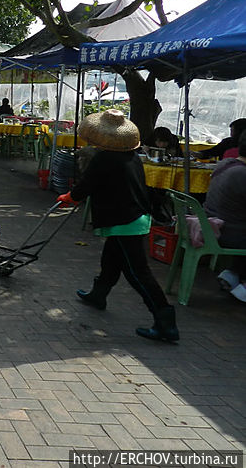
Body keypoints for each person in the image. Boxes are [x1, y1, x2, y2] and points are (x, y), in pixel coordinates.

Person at [57, 109, 179, 343]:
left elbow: (86, 186)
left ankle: (165, 322)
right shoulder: (132, 156)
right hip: (134, 216)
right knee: (111, 260)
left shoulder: (103, 158)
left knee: (137, 273)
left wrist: (70, 197)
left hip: (125, 221)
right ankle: (98, 294)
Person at [204, 133, 246, 302]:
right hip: (228, 233)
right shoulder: (241, 174)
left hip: (214, 226)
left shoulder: (226, 164)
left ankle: (231, 275)